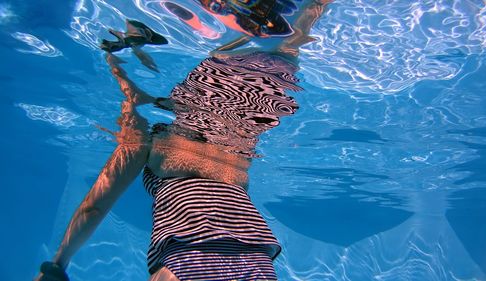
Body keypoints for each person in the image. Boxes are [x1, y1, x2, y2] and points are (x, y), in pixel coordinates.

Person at [35, 1, 331, 280]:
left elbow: (97, 206)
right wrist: (55, 265)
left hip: (252, 253)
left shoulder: (153, 148)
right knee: (248, 40)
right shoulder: (152, 141)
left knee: (293, 39)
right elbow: (94, 204)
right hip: (193, 248)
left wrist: (59, 264)